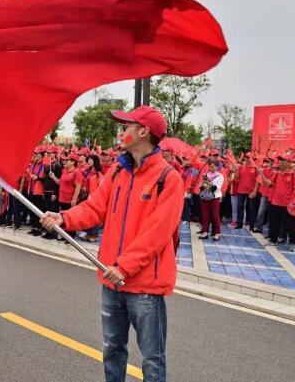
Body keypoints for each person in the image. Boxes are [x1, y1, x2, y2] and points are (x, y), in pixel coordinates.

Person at [40, 105, 183, 382]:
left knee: (152, 360)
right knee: (113, 350)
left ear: (143, 131)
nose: (121, 132)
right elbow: (94, 208)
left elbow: (157, 232)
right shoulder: (118, 171)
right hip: (111, 278)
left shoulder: (169, 179)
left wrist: (125, 267)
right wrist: (63, 218)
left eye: (126, 126)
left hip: (143, 286)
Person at [198, 160, 224, 241]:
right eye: (210, 166)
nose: (211, 168)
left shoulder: (220, 176)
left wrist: (210, 184)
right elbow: (201, 186)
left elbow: (218, 187)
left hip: (215, 197)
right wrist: (203, 184)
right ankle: (205, 232)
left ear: (217, 167)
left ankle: (217, 233)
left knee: (215, 216)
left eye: (213, 166)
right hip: (205, 197)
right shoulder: (205, 175)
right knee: (205, 215)